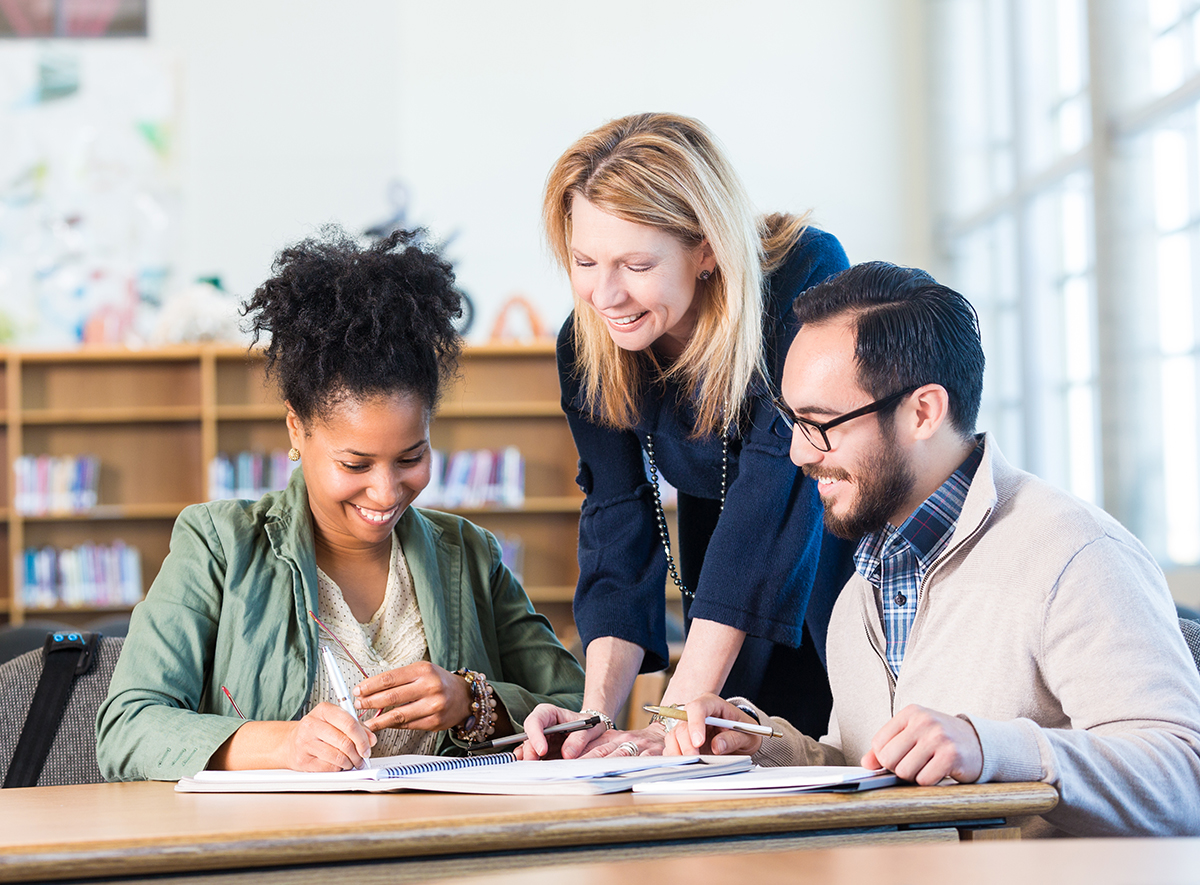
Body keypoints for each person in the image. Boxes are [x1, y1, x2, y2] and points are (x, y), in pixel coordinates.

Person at [666, 262, 1200, 837]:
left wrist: (987, 746)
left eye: (820, 424)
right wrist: (765, 747)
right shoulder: (858, 588)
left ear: (923, 412)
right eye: (791, 422)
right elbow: (871, 775)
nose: (797, 453)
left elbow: (1181, 778)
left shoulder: (1078, 556)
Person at [96, 229, 584, 780]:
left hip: (445, 851)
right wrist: (283, 746)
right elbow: (128, 728)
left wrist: (472, 703)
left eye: (411, 458)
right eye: (355, 464)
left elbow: (579, 709)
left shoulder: (469, 554)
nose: (386, 492)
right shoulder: (219, 546)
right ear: (296, 429)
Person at [522, 113, 854, 759]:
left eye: (636, 264)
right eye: (584, 261)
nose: (604, 293)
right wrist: (593, 716)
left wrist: (673, 714)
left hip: (836, 554)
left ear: (706, 249)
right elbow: (616, 524)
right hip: (723, 573)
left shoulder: (803, 275)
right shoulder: (586, 343)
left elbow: (773, 493)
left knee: (830, 758)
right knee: (717, 759)